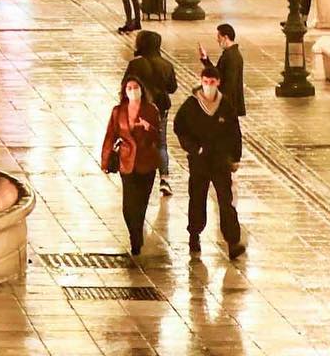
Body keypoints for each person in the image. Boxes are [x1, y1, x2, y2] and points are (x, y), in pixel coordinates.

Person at [173, 63, 245, 258]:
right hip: (200, 161)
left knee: (225, 201)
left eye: (212, 82)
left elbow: (235, 133)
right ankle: (194, 234)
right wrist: (194, 148)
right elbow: (179, 128)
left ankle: (232, 241)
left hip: (220, 161)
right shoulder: (191, 105)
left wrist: (235, 157)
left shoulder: (226, 106)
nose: (208, 85)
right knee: (197, 198)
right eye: (205, 82)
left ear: (218, 83)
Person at [100, 75, 162, 255]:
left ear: (142, 90)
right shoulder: (118, 111)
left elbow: (158, 137)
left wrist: (148, 127)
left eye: (136, 87)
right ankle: (134, 235)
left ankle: (138, 234)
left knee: (141, 202)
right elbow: (110, 135)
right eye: (129, 88)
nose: (133, 91)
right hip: (126, 161)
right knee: (128, 204)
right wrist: (105, 160)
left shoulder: (150, 110)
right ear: (124, 91)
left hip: (147, 162)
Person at [123, 29, 178, 198]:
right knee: (161, 144)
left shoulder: (135, 64)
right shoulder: (166, 65)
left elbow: (126, 84)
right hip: (160, 108)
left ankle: (139, 173)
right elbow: (172, 88)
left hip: (139, 109)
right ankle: (164, 179)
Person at [200, 23, 245, 118]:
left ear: (225, 37)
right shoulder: (229, 54)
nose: (217, 40)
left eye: (219, 37)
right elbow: (217, 74)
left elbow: (230, 84)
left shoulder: (232, 57)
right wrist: (205, 59)